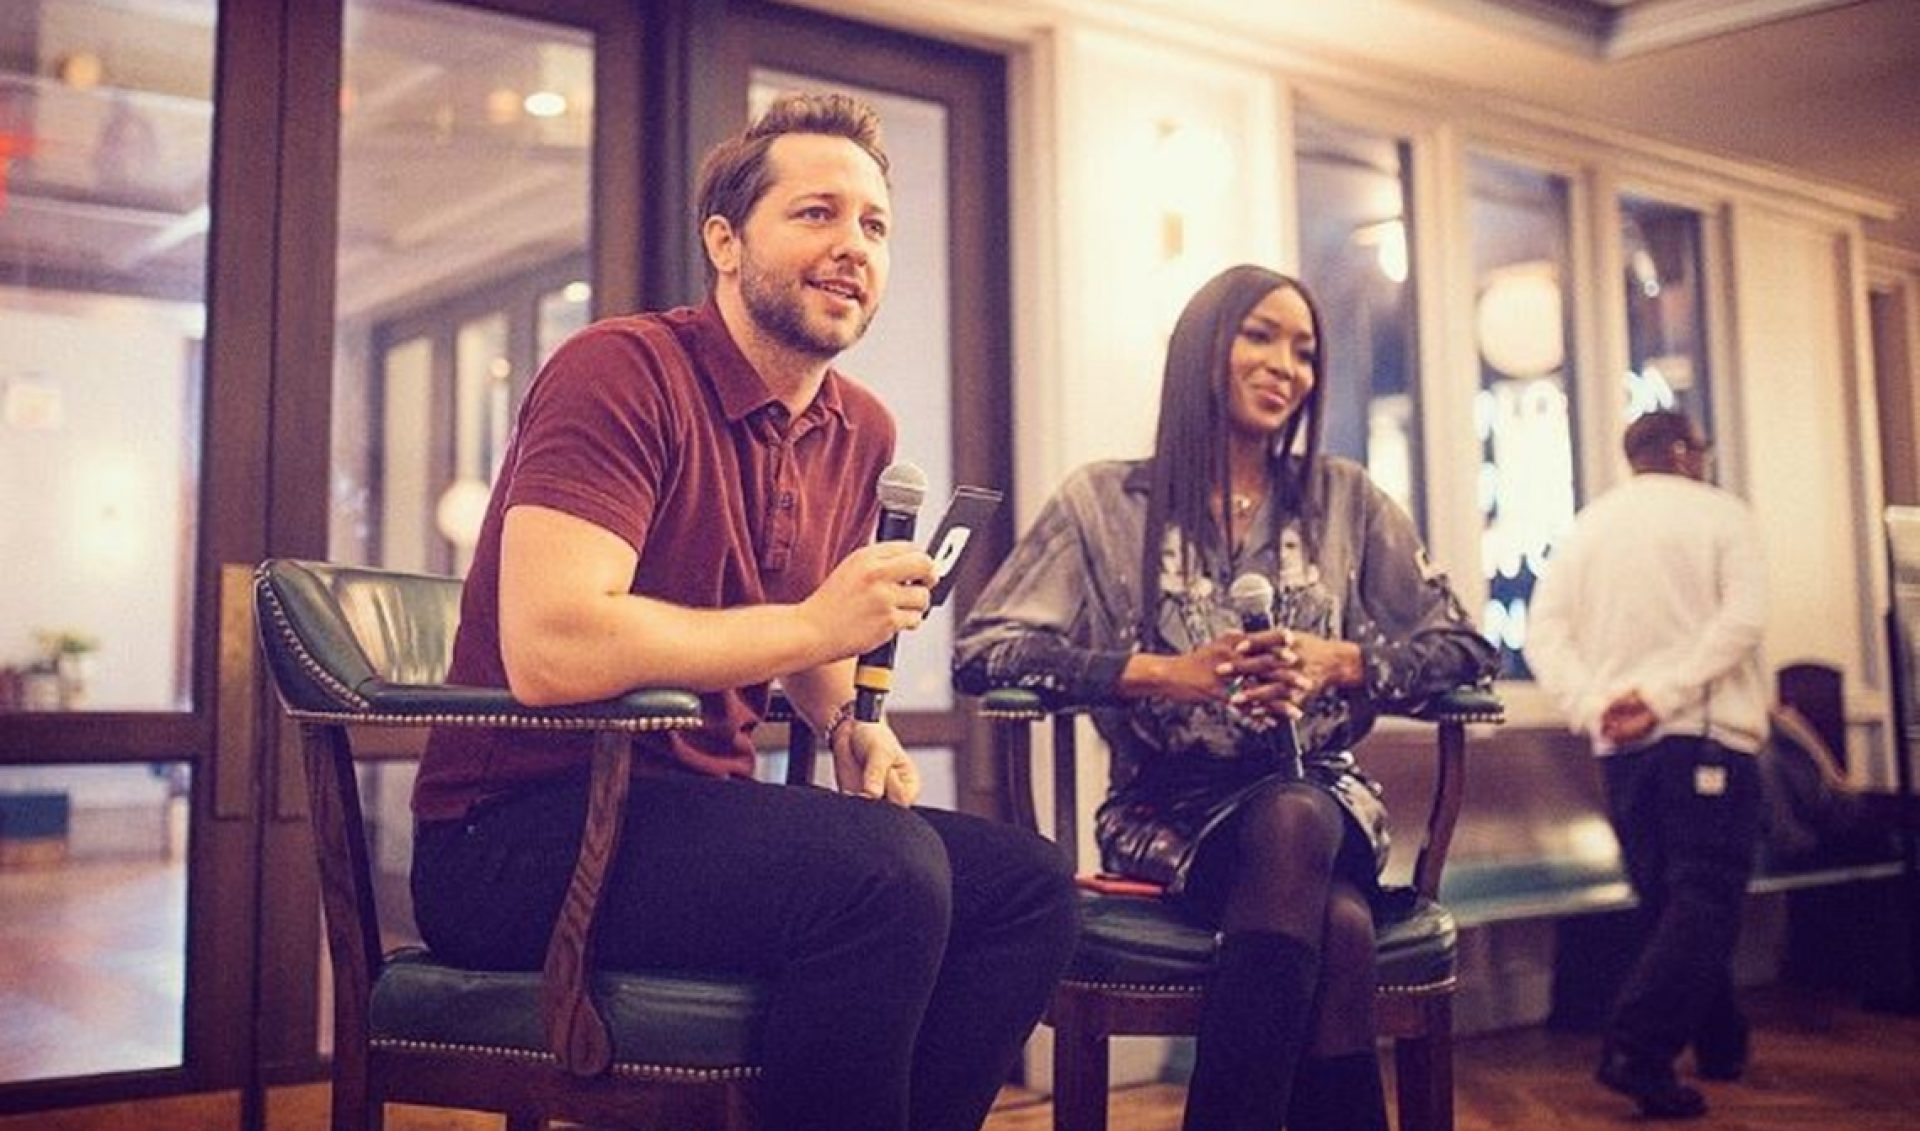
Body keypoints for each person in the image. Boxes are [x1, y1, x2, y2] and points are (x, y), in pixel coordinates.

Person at [408, 92, 1077, 1131]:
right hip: (514, 836)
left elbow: (791, 618)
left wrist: (851, 723)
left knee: (1029, 884)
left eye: (873, 224)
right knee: (882, 876)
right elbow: (551, 647)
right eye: (815, 214)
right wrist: (819, 627)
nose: (852, 245)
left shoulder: (860, 426)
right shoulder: (620, 372)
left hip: (692, 812)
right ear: (724, 241)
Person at [954, 264, 1498, 1131]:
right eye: (1261, 335)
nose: (1288, 364)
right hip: (1166, 810)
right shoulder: (1104, 501)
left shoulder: (1345, 498)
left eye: (1306, 350)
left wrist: (1341, 661)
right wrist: (1161, 672)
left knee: (1296, 814)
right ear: (1204, 348)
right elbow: (984, 650)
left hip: (1326, 796)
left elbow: (1469, 646)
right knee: (1344, 930)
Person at [1526, 409, 1768, 1120]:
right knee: (1707, 894)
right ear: (1687, 451)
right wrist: (1661, 697)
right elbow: (1742, 621)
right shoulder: (1723, 514)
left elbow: (1545, 632)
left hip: (1623, 748)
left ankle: (1723, 1041)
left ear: (1633, 457)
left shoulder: (1587, 529)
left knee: (1673, 900)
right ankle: (1637, 1046)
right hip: (1706, 735)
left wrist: (1594, 703)